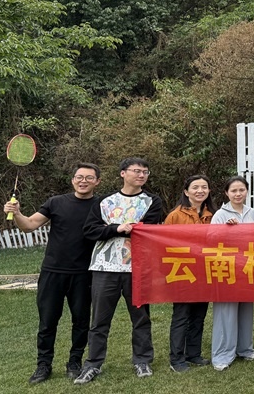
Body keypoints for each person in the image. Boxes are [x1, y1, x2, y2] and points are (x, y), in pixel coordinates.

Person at [4, 163, 101, 384]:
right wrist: (17, 213)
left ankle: (75, 362)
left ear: (97, 181)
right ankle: (43, 365)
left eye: (89, 177)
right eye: (79, 177)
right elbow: (29, 225)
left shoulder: (102, 205)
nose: (83, 181)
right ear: (73, 180)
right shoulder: (56, 202)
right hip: (53, 272)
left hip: (84, 274)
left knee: (81, 321)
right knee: (47, 322)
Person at [73, 158, 164, 384]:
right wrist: (117, 228)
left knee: (141, 318)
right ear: (123, 173)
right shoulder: (105, 201)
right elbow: (90, 230)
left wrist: (114, 228)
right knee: (99, 320)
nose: (141, 175)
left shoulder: (152, 201)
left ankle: (142, 360)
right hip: (105, 267)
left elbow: (149, 229)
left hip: (138, 268)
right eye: (137, 171)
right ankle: (93, 364)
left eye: (145, 172)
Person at [164, 175, 216, 372]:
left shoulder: (213, 215)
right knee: (181, 315)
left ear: (209, 191)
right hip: (183, 271)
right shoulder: (175, 215)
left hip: (205, 272)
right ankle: (176, 358)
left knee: (198, 315)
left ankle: (193, 353)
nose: (200, 191)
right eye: (195, 187)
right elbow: (164, 244)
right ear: (186, 191)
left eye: (204, 187)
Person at [210, 176, 254, 370]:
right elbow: (210, 240)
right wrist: (226, 230)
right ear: (226, 193)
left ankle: (244, 348)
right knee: (226, 312)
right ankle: (222, 355)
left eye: (241, 190)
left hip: (247, 267)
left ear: (247, 191)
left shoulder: (252, 212)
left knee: (246, 310)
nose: (238, 194)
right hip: (226, 268)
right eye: (233, 191)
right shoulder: (220, 215)